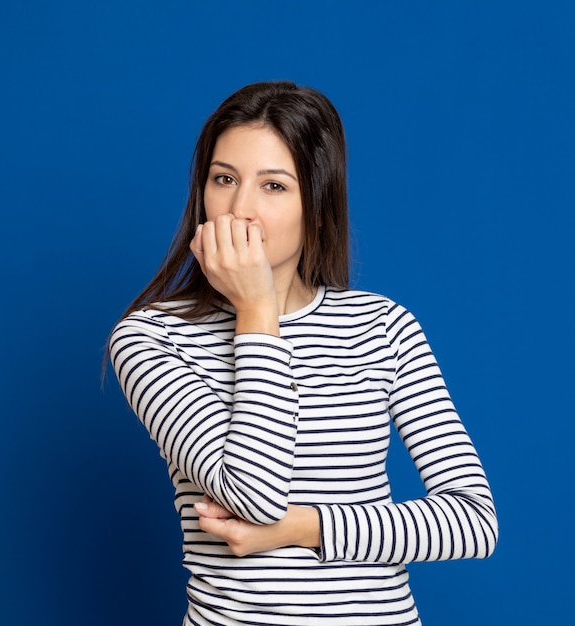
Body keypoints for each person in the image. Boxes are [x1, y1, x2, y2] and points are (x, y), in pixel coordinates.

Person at [109, 80, 498, 626]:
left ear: (316, 208)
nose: (240, 208)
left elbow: (473, 523)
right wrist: (256, 311)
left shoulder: (383, 327)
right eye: (224, 179)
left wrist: (304, 528)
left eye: (273, 185)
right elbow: (255, 495)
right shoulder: (152, 338)